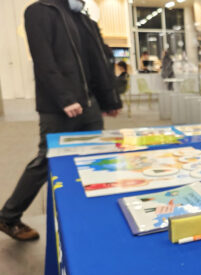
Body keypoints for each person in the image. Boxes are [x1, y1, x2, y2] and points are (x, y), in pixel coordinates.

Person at [0, 0, 121, 241]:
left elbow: (97, 61)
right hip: (59, 108)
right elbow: (43, 60)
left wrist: (110, 99)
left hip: (90, 106)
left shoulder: (84, 17)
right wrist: (64, 97)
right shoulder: (39, 11)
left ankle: (89, 218)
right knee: (47, 160)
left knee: (93, 159)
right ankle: (8, 215)